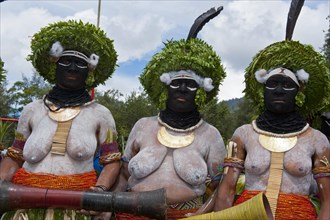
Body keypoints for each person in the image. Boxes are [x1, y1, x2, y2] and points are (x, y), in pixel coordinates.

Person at [189, 39, 330, 220]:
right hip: (248, 214)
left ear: (298, 93)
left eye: (287, 85)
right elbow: (227, 189)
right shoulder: (244, 134)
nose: (279, 90)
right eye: (272, 84)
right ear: (263, 92)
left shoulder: (316, 139)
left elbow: (327, 200)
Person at [114, 7, 227, 220]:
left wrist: (200, 215)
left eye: (190, 85)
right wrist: (109, 208)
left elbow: (219, 185)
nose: (183, 89)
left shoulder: (210, 135)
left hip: (188, 215)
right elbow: (122, 173)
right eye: (176, 84)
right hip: (132, 214)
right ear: (166, 89)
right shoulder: (143, 126)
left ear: (201, 93)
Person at [0, 20, 120, 219]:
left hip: (76, 209)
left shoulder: (100, 114)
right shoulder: (32, 110)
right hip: (24, 208)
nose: (72, 68)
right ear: (55, 66)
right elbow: (15, 156)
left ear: (88, 71)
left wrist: (99, 191)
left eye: (80, 64)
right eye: (66, 61)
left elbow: (112, 161)